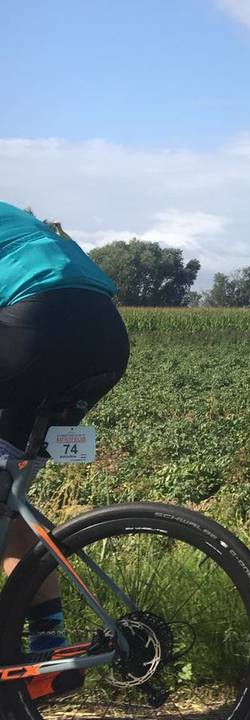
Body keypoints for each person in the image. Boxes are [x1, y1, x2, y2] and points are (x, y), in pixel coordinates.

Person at [0, 201, 129, 700]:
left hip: (39, 326)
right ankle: (47, 651)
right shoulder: (20, 219)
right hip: (105, 336)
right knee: (9, 505)